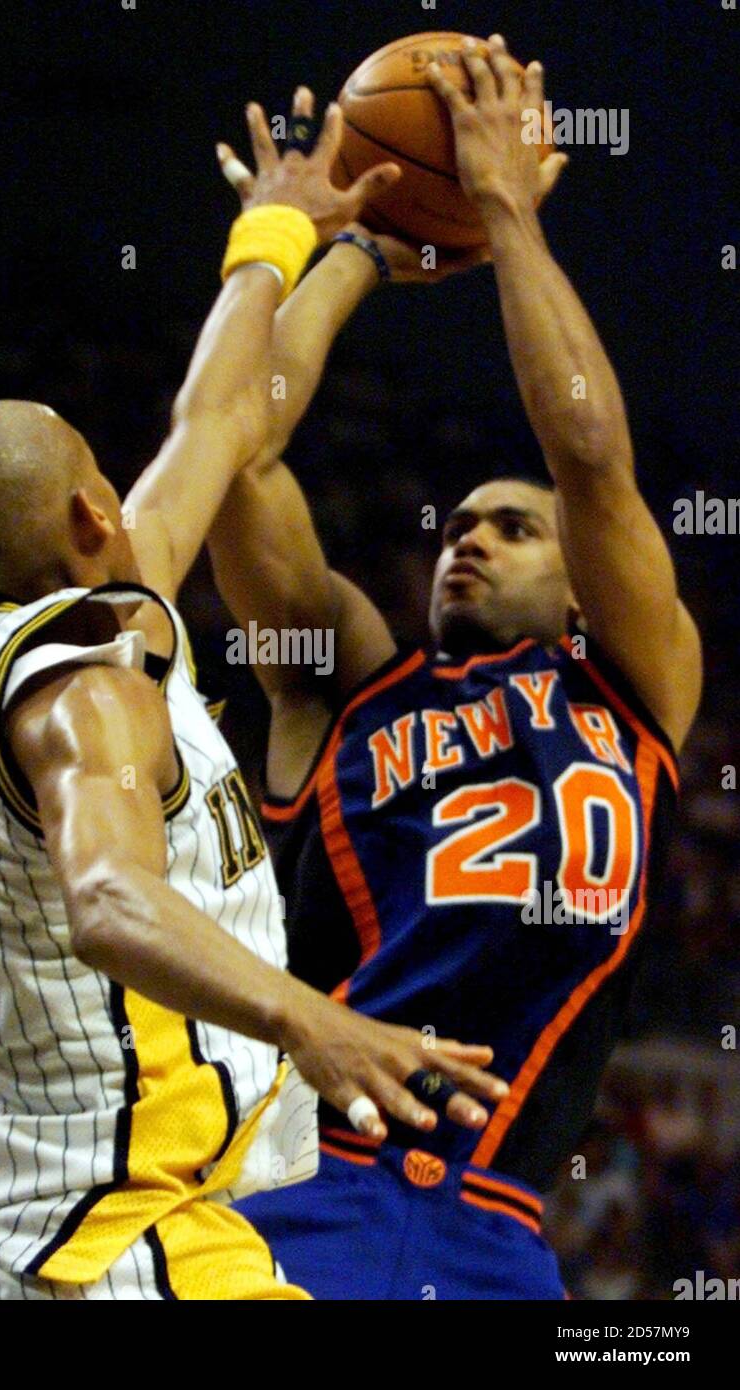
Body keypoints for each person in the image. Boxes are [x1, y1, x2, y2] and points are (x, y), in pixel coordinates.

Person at [0, 91, 504, 1302]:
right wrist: (308, 1021)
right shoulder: (86, 691)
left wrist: (298, 241)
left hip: (2, 1247)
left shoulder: (65, 618)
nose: (134, 487)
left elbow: (218, 418)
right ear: (85, 514)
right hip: (105, 1240)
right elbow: (111, 899)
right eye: (104, 473)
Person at [207, 39, 703, 1298]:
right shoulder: (343, 685)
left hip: (498, 1232)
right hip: (299, 1187)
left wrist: (497, 207)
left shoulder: (635, 687)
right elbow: (237, 459)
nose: (466, 538)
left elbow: (589, 453)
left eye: (509, 525)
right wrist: (352, 254)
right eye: (455, 526)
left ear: (584, 581)